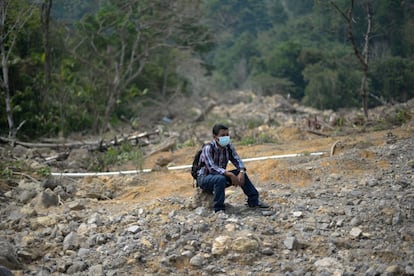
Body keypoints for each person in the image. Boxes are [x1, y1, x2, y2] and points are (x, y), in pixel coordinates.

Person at [196, 123, 269, 213]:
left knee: (240, 174)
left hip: (220, 176)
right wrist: (229, 174)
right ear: (215, 137)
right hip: (204, 179)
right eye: (222, 135)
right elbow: (212, 168)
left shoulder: (228, 147)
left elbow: (237, 159)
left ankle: (254, 202)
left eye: (227, 135)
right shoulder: (208, 148)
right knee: (220, 178)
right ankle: (219, 209)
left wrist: (241, 171)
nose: (226, 137)